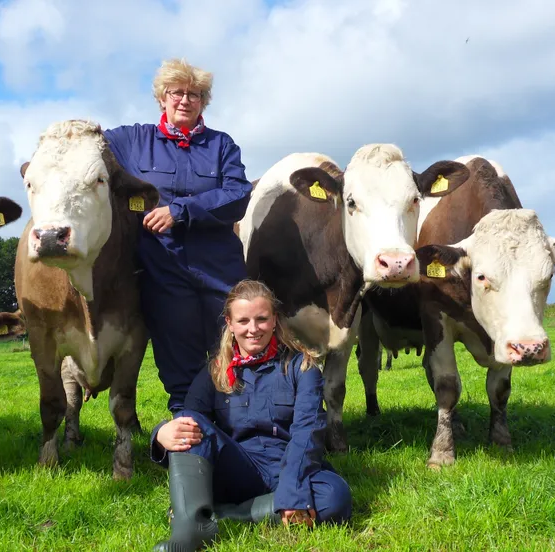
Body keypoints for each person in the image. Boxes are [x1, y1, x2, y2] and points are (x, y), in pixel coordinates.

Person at [149, 280, 353, 552]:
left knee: (335, 498)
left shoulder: (301, 366)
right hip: (237, 469)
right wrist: (161, 433)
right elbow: (191, 425)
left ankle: (222, 515)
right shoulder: (215, 372)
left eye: (261, 319)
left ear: (274, 320)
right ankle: (190, 532)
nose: (253, 329)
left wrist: (293, 490)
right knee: (188, 421)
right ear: (230, 323)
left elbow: (308, 431)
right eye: (243, 321)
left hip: (287, 465)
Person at [104, 58, 252, 413]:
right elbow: (87, 143)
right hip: (164, 274)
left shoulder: (222, 146)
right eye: (177, 93)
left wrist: (179, 211)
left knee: (235, 359)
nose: (185, 100)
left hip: (220, 273)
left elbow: (237, 195)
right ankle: (191, 445)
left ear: (204, 101)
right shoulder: (132, 141)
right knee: (180, 372)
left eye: (195, 94)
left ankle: (246, 440)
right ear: (162, 98)